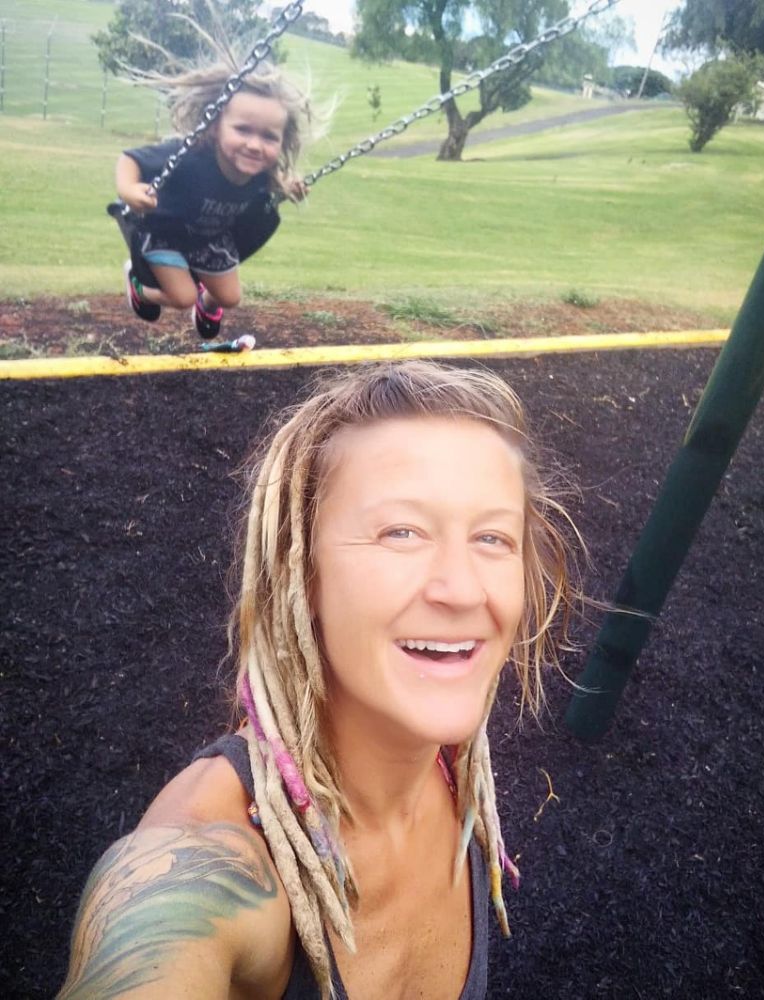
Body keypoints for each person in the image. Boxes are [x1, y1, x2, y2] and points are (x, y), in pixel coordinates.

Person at [58, 360, 580, 999]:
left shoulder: (455, 781)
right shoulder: (205, 865)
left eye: (492, 537)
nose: (463, 588)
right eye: (401, 532)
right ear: (300, 573)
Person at [115, 59, 311, 341]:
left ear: (283, 140)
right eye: (243, 130)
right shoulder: (191, 154)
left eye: (269, 136)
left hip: (210, 239)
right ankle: (139, 285)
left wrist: (289, 189)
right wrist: (129, 190)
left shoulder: (261, 172)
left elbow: (270, 189)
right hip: (165, 232)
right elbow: (130, 158)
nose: (254, 145)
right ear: (216, 124)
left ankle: (205, 309)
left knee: (230, 297)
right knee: (183, 297)